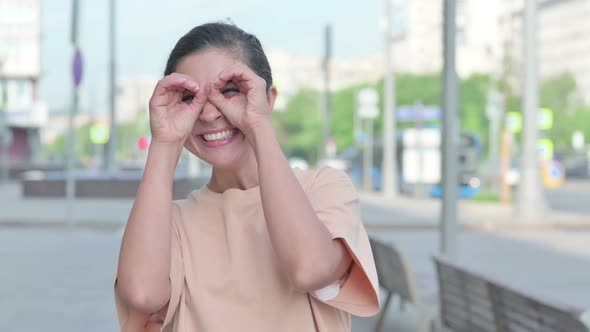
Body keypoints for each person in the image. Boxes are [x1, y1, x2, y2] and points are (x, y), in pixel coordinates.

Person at [114, 21, 379, 332]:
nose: (210, 113)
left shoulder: (323, 188)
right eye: (189, 98)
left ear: (269, 99)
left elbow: (309, 269)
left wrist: (257, 125)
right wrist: (165, 142)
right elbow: (142, 294)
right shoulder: (168, 220)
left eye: (230, 92)